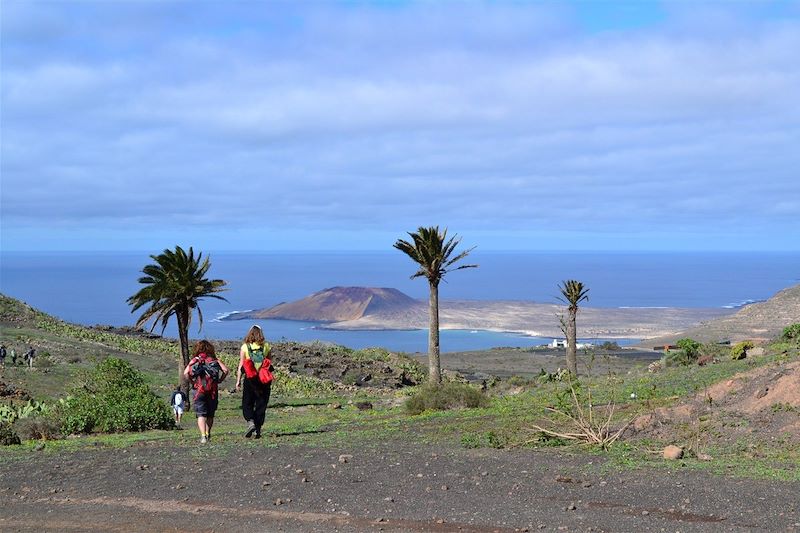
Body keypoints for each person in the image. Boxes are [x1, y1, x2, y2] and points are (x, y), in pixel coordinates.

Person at [183, 340, 229, 444]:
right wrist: (220, 380)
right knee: (210, 414)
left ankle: (203, 436)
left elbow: (186, 373)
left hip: (199, 390)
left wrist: (192, 382)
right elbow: (225, 370)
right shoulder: (214, 360)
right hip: (212, 390)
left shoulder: (195, 360)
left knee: (201, 414)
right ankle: (208, 433)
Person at [235, 325, 273, 439]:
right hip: (263, 379)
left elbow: (241, 365)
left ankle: (250, 422)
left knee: (247, 403)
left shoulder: (245, 347)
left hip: (250, 379)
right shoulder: (266, 346)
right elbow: (269, 363)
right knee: (261, 403)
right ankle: (258, 429)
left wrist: (238, 381)